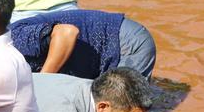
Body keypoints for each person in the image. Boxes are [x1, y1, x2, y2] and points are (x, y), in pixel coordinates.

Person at [10, 9, 156, 79]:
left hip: (125, 43)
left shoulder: (13, 39)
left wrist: (43, 81)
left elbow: (67, 33)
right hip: (107, 53)